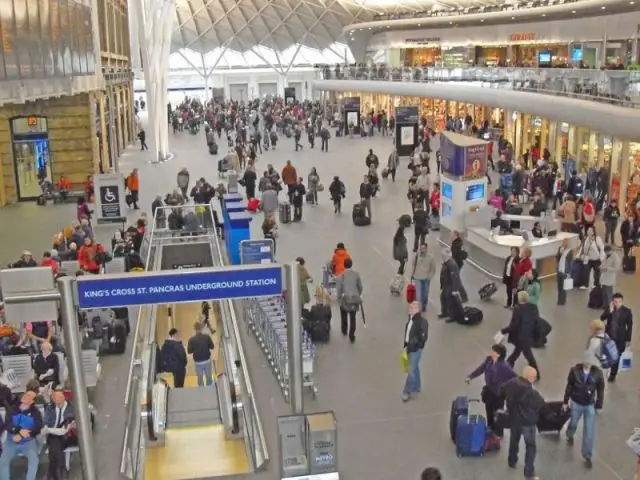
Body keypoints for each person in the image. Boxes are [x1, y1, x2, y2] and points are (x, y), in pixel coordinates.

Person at [498, 366, 545, 480]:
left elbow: (501, 391)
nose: (535, 379)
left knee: (514, 440)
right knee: (531, 446)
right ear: (530, 378)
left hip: (514, 419)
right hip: (527, 422)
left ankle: (512, 460)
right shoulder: (530, 391)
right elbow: (541, 404)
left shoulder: (512, 382)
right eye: (534, 377)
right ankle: (528, 473)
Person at [563, 351, 605, 469]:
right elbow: (569, 386)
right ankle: (570, 433)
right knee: (573, 422)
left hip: (589, 405)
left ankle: (587, 455)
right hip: (576, 402)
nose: (587, 365)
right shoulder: (574, 371)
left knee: (589, 431)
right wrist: (565, 401)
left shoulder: (598, 374)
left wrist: (599, 405)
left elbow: (600, 390)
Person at [466, 344, 516, 435]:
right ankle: (490, 428)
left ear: (498, 354)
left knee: (498, 413)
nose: (491, 352)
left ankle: (498, 433)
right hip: (489, 390)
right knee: (488, 409)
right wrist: (471, 376)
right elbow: (481, 368)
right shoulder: (489, 360)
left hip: (498, 394)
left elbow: (514, 378)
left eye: (493, 351)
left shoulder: (505, 367)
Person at [0, 391, 43, 480]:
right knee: (3, 461)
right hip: (11, 440)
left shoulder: (36, 413)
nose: (25, 396)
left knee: (34, 460)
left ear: (32, 402)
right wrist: (19, 432)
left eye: (28, 396)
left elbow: (37, 428)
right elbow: (8, 425)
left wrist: (24, 435)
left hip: (28, 441)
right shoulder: (12, 409)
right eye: (25, 394)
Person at [501, 291, 540, 380]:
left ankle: (536, 374)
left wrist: (503, 331)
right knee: (516, 353)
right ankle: (507, 368)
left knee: (528, 356)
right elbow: (537, 321)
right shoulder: (534, 307)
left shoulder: (518, 309)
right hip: (529, 335)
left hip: (520, 337)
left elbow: (513, 325)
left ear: (519, 298)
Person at [600, 292, 633, 382]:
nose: (617, 303)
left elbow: (630, 326)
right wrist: (609, 311)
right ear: (612, 302)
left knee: (616, 357)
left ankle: (612, 375)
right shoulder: (610, 309)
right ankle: (609, 368)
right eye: (615, 301)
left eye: (619, 301)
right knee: (608, 355)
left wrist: (628, 340)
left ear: (622, 302)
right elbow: (602, 318)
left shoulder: (627, 311)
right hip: (609, 337)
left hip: (620, 339)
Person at [43, 389, 76, 480]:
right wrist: (47, 427)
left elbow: (65, 430)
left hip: (68, 436)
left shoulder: (71, 408)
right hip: (54, 436)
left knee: (54, 450)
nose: (58, 405)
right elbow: (45, 422)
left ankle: (52, 475)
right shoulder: (50, 408)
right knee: (55, 448)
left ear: (64, 399)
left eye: (59, 403)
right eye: (56, 403)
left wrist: (49, 429)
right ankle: (59, 475)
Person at [402, 301, 428, 402]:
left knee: (411, 370)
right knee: (415, 366)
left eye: (412, 307)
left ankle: (407, 391)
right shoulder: (411, 319)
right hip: (410, 347)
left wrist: (415, 345)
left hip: (415, 349)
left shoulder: (422, 322)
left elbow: (423, 337)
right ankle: (417, 386)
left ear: (417, 309)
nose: (409, 308)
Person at [336, 258, 363, 344]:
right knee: (353, 317)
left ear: (344, 265)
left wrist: (339, 297)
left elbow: (339, 289)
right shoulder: (356, 274)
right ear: (351, 264)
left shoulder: (341, 276)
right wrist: (357, 294)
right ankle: (352, 335)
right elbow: (360, 287)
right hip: (354, 298)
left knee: (344, 315)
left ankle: (344, 330)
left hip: (345, 299)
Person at [438, 248, 463, 322]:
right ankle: (444, 312)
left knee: (450, 301)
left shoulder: (452, 264)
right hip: (445, 285)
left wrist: (455, 289)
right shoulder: (446, 263)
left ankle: (452, 316)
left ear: (448, 256)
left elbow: (455, 277)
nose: (442, 257)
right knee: (443, 298)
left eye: (443, 255)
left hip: (450, 286)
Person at [187, 322, 215, 386]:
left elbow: (189, 351)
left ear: (194, 329)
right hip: (207, 361)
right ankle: (210, 389)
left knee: (200, 378)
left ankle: (201, 390)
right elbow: (212, 347)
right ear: (201, 329)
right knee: (209, 377)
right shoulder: (207, 337)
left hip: (198, 362)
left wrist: (195, 348)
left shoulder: (191, 339)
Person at [411, 243, 436, 312]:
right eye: (421, 248)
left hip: (426, 279)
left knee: (425, 294)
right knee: (418, 294)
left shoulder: (431, 258)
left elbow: (433, 269)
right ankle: (419, 307)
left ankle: (424, 305)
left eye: (423, 248)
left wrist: (429, 277)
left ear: (426, 249)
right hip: (417, 278)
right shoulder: (416, 256)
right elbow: (413, 265)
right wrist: (412, 275)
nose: (422, 250)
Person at [450, 230, 468, 302]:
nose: (450, 236)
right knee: (455, 279)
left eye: (451, 234)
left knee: (456, 280)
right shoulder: (457, 243)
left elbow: (455, 255)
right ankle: (462, 295)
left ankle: (464, 296)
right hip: (457, 263)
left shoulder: (456, 245)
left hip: (456, 264)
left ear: (455, 235)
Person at [556, 238, 574, 306]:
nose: (564, 244)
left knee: (563, 287)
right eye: (563, 242)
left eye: (565, 243)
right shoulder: (560, 248)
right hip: (559, 270)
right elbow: (557, 258)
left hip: (565, 271)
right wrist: (560, 252)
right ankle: (559, 300)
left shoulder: (569, 251)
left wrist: (568, 273)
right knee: (559, 286)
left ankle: (562, 301)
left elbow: (570, 263)